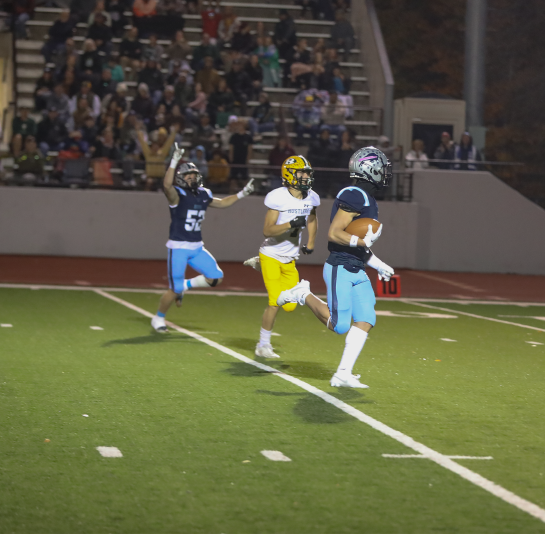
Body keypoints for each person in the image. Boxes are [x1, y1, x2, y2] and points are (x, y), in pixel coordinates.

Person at [276, 147, 392, 388]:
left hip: (357, 267)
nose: (385, 172)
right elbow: (334, 233)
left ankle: (343, 373)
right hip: (340, 266)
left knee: (367, 318)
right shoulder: (354, 194)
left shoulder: (366, 198)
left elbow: (359, 245)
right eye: (381, 167)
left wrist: (378, 264)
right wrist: (361, 241)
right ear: (369, 168)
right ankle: (303, 293)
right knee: (339, 325)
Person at [150, 148, 254, 332]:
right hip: (179, 247)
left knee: (216, 277)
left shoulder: (204, 194)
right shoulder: (177, 195)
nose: (191, 178)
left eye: (193, 175)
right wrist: (173, 162)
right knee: (173, 289)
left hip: (197, 247)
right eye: (188, 176)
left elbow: (222, 203)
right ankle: (158, 318)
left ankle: (185, 286)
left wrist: (242, 193)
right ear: (181, 178)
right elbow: (166, 186)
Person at [243, 156, 319, 359]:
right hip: (271, 254)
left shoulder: (311, 197)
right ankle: (263, 344)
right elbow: (267, 230)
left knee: (291, 306)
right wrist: (290, 224)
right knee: (275, 301)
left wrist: (311, 242)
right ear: (289, 174)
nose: (305, 177)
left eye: (307, 173)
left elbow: (312, 218)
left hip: (290, 258)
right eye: (301, 172)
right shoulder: (278, 197)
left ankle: (258, 265)